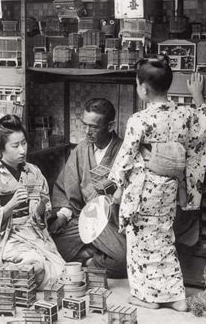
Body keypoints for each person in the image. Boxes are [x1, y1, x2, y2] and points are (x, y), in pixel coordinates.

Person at [108, 58, 206, 311]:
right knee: (165, 237)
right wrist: (197, 96)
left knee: (139, 241)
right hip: (169, 187)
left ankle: (147, 297)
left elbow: (126, 156)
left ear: (143, 89)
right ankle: (177, 296)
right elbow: (204, 127)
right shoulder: (185, 114)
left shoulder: (139, 119)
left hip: (143, 188)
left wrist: (116, 185)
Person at [0, 115, 65, 291]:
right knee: (34, 265)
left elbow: (43, 217)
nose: (22, 150)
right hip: (5, 238)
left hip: (31, 232)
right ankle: (4, 270)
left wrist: (42, 207)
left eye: (24, 143)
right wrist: (10, 206)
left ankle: (16, 275)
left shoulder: (34, 172)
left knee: (60, 272)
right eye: (15, 146)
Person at [49, 98, 126, 278]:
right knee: (48, 243)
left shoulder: (124, 152)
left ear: (110, 126)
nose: (87, 131)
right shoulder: (81, 150)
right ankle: (93, 252)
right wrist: (63, 215)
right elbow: (66, 189)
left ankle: (89, 259)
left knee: (123, 260)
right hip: (83, 219)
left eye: (94, 127)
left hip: (111, 223)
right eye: (85, 125)